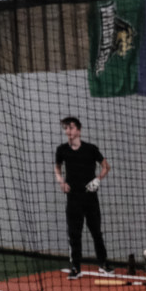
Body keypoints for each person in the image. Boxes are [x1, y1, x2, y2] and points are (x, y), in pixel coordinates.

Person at [53, 116, 110, 279]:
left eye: (71, 128)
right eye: (66, 128)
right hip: (73, 199)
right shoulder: (62, 149)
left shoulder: (91, 149)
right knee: (74, 234)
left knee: (96, 232)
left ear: (78, 130)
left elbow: (106, 166)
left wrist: (97, 180)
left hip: (90, 197)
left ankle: (103, 264)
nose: (68, 131)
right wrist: (61, 181)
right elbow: (57, 167)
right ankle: (76, 268)